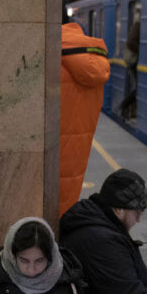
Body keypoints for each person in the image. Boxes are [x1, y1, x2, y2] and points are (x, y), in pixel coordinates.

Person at [58, 16, 110, 214]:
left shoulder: (53, 59)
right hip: (77, 154)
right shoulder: (94, 60)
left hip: (50, 152)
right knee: (66, 200)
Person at [115, 16, 140, 120]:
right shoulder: (139, 25)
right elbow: (131, 42)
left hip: (134, 62)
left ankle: (127, 109)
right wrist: (143, 52)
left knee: (137, 88)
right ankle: (123, 106)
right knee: (138, 89)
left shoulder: (139, 24)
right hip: (133, 62)